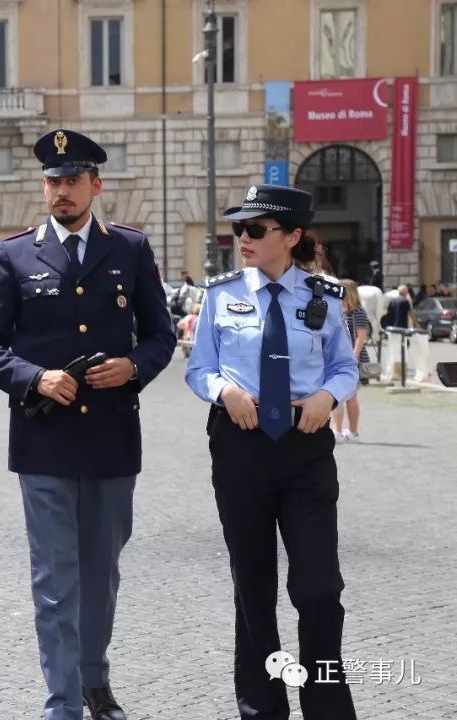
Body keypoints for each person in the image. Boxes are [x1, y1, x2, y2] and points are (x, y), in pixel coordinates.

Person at [0, 128, 175, 720]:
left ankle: (94, 679)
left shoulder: (130, 250)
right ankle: (63, 702)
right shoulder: (14, 254)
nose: (61, 191)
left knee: (101, 574)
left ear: (95, 185)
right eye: (53, 181)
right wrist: (35, 377)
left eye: (72, 181)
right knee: (56, 579)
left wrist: (134, 365)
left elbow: (161, 336)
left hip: (111, 440)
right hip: (45, 443)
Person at [185, 184, 358, 720]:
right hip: (240, 447)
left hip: (306, 449)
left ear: (292, 236)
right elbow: (199, 369)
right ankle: (262, 708)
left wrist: (328, 397)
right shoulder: (219, 294)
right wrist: (225, 392)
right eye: (239, 229)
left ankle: (327, 708)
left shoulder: (327, 297)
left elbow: (346, 367)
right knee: (252, 586)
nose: (243, 238)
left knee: (319, 587)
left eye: (256, 229)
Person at [332, 279, 369, 443]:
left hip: (351, 358)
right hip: (337, 358)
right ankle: (339, 430)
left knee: (350, 397)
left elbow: (361, 337)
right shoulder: (339, 310)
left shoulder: (357, 311)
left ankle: (352, 432)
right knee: (338, 395)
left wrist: (353, 357)